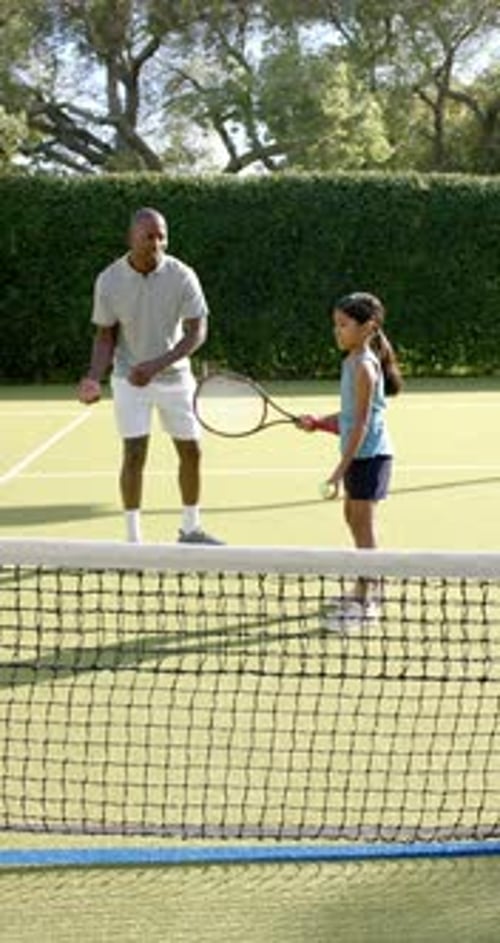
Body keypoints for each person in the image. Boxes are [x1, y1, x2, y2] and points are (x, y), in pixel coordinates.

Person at [77, 207, 223, 545]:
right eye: (149, 236)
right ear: (131, 238)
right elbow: (105, 336)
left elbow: (197, 332)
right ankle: (133, 539)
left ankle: (190, 529)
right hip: (129, 380)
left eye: (161, 236)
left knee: (192, 451)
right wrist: (93, 377)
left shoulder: (183, 275)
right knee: (134, 453)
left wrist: (157, 364)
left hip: (175, 378)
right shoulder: (109, 280)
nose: (156, 242)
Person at [298, 291, 402, 628]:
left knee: (363, 525)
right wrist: (319, 422)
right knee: (354, 521)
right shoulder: (351, 361)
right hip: (360, 456)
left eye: (344, 325)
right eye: (336, 325)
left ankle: (366, 599)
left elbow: (360, 424)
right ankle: (371, 581)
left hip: (370, 458)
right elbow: (348, 416)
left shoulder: (365, 368)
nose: (337, 331)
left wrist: (338, 471)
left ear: (367, 327)